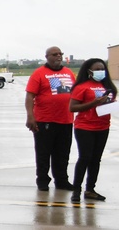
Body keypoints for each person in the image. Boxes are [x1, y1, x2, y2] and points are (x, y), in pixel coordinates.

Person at [25, 46, 77, 191]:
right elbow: (30, 96)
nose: (58, 56)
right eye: (55, 54)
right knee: (43, 153)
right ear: (47, 56)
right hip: (45, 121)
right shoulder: (39, 74)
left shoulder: (68, 73)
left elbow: (75, 93)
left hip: (65, 120)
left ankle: (61, 180)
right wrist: (30, 116)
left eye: (60, 54)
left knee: (62, 154)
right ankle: (42, 180)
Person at [68, 58, 115, 203]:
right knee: (85, 158)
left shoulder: (108, 86)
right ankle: (76, 190)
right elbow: (73, 107)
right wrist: (93, 103)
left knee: (96, 159)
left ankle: (90, 189)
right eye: (97, 69)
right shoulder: (81, 87)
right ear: (89, 71)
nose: (101, 72)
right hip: (85, 127)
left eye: (102, 69)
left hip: (103, 127)